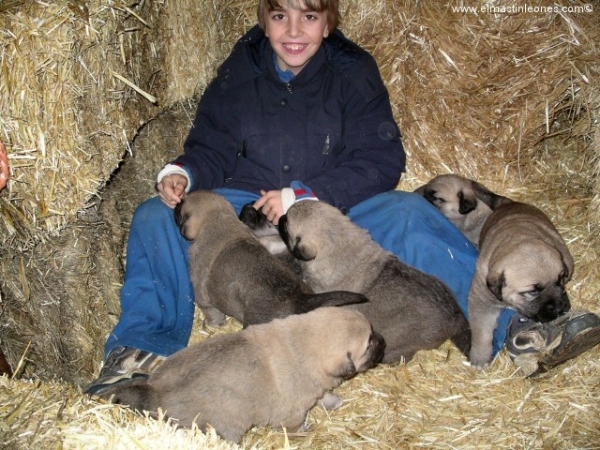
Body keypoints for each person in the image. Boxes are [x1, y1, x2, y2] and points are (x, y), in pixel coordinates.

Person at [85, 0, 600, 394]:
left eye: (308, 15)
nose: (293, 31)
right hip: (247, 204)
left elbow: (382, 160)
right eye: (280, 15)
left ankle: (519, 328)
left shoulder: (354, 70)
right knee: (156, 215)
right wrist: (184, 171)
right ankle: (141, 351)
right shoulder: (238, 70)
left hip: (331, 207)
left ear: (328, 21)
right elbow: (212, 145)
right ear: (264, 19)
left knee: (405, 211)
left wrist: (306, 195)